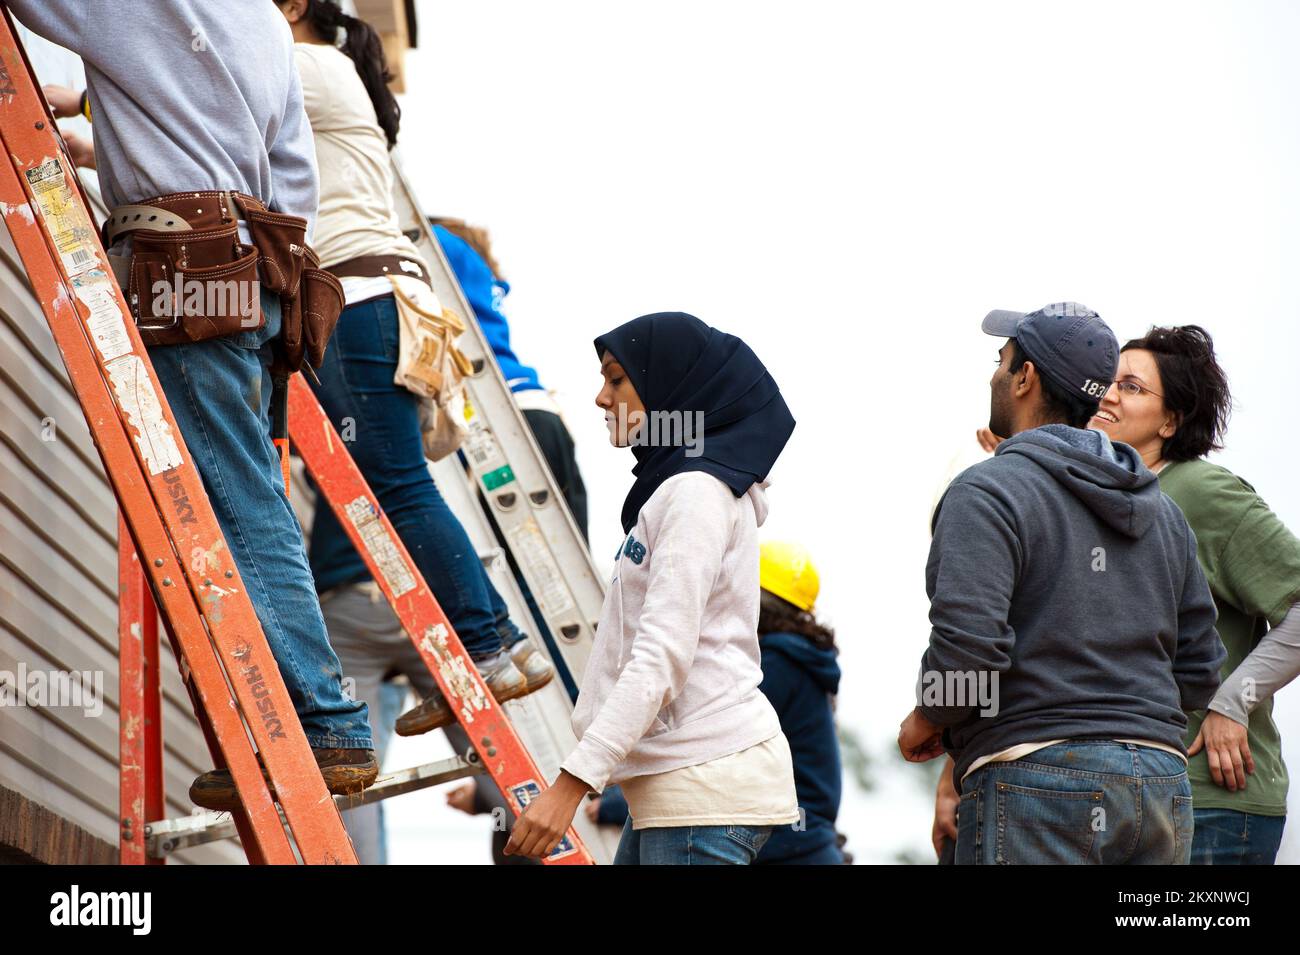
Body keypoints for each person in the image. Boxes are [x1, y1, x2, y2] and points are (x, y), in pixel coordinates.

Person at [8, 0, 377, 808]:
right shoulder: (266, 24)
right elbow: (294, 182)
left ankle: (329, 719)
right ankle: (276, 722)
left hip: (185, 274)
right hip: (254, 266)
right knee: (247, 495)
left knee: (239, 504)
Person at [272, 0, 554, 858]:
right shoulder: (332, 72)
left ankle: (488, 639)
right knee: (399, 487)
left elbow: (200, 85)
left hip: (359, 305)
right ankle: (488, 640)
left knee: (395, 486)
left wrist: (85, 113)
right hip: (379, 301)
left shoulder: (305, 64)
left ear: (290, 11)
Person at [901, 302, 1225, 865]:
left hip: (1037, 781)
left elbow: (968, 657)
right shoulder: (1164, 512)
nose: (995, 375)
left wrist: (924, 722)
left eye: (1002, 362)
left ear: (1025, 378)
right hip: (1159, 787)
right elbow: (1200, 671)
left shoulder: (989, 491)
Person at [504, 312, 800, 864]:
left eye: (616, 379)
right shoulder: (679, 490)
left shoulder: (697, 494)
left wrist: (570, 787)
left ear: (672, 389)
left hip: (702, 790)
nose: (600, 397)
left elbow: (661, 655)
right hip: (675, 793)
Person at [1090, 325, 1300, 864]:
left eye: (1132, 386)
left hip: (1214, 804)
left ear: (1170, 420)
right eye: (1107, 381)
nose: (1108, 394)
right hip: (1122, 802)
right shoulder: (1099, 495)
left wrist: (1233, 701)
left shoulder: (1202, 491)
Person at [430, 217, 589, 542]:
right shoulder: (482, 282)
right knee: (567, 557)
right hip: (538, 406)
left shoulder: (436, 244)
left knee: (495, 561)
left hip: (492, 413)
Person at [753, 541, 845, 865]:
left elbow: (720, 752)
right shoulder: (799, 656)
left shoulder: (779, 664)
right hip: (805, 843)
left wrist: (624, 806)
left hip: (790, 847)